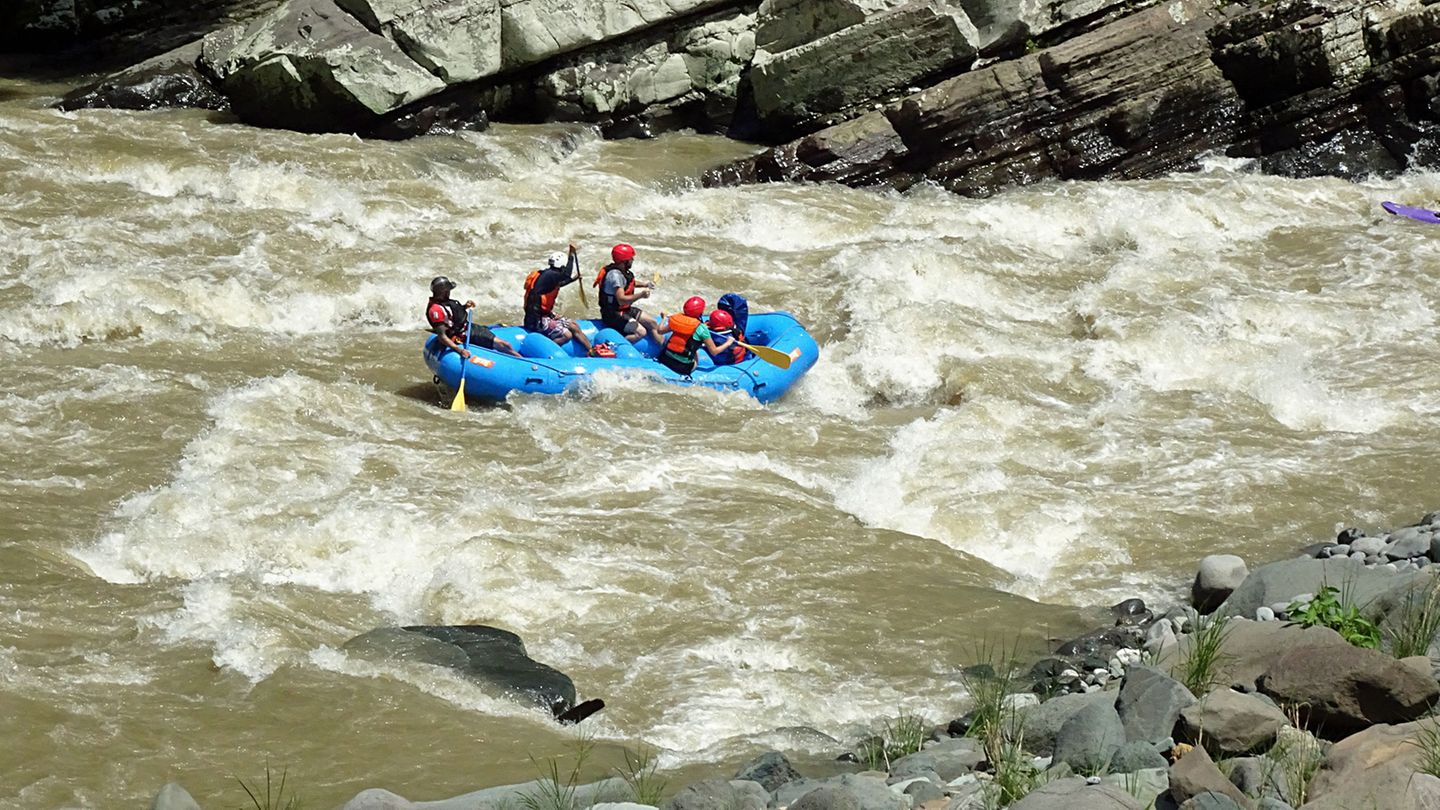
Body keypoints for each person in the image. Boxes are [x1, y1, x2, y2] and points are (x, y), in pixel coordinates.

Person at [523, 244, 594, 355]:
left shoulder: (548, 275)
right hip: (536, 320)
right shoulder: (551, 274)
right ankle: (544, 350)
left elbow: (559, 284)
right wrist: (571, 255)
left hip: (544, 314)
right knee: (567, 335)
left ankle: (591, 350)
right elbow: (566, 275)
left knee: (573, 326)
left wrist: (573, 279)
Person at [426, 275, 519, 358]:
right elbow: (442, 336)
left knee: (505, 344)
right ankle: (522, 361)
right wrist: (460, 350)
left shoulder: (442, 302)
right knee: (504, 344)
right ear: (444, 292)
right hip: (462, 335)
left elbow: (452, 316)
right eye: (448, 290)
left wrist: (465, 307)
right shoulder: (435, 311)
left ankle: (519, 358)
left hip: (465, 328)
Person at [594, 243, 661, 344]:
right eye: (631, 259)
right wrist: (641, 295)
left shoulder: (622, 271)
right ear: (623, 261)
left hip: (624, 310)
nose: (632, 260)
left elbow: (628, 283)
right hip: (613, 314)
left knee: (652, 322)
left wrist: (645, 284)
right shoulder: (614, 276)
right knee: (641, 332)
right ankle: (618, 346)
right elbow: (621, 299)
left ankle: (662, 348)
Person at [654, 296, 737, 376]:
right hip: (682, 368)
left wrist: (664, 318)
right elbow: (714, 351)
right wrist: (728, 342)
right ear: (700, 312)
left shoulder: (677, 320)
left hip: (665, 359)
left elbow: (660, 331)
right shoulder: (702, 329)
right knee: (697, 352)